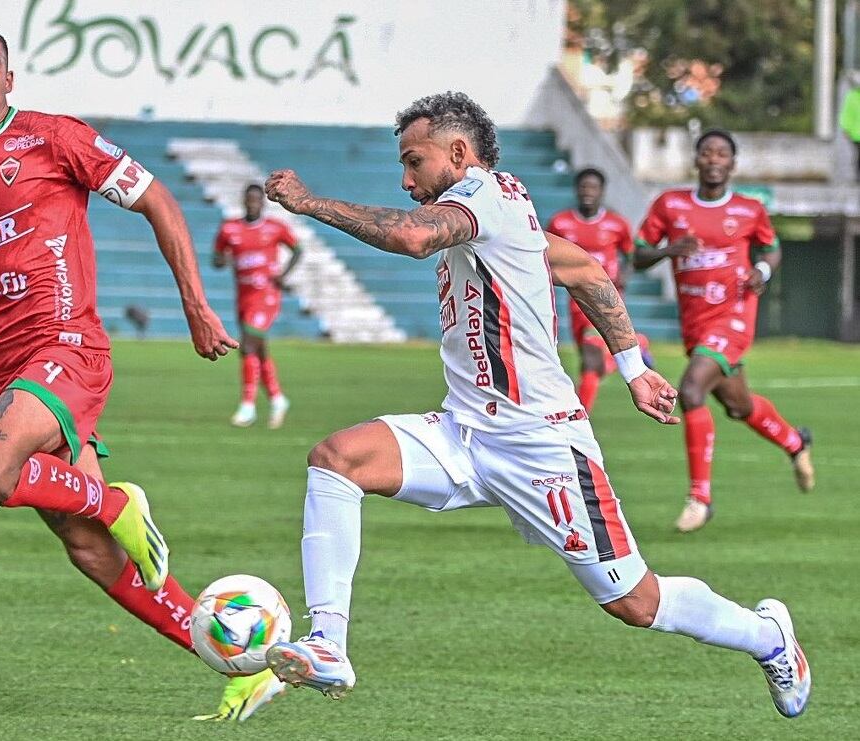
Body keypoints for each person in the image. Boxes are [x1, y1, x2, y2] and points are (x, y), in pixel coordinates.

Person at [261, 92, 810, 718]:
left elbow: (414, 238)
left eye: (415, 162)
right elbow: (582, 268)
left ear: (459, 154)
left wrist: (309, 203)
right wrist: (633, 368)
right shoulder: (507, 207)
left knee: (636, 602)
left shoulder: (480, 200)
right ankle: (328, 642)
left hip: (541, 445)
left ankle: (770, 638)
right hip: (464, 432)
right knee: (337, 458)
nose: (405, 179)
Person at [0, 20, 283, 722]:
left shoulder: (55, 138)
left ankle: (120, 503)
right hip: (5, 369)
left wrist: (197, 306)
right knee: (85, 546)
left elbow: (157, 200)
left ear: (9, 77)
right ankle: (239, 664)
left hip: (68, 346)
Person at [634, 129, 814, 533]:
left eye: (722, 154)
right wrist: (669, 250)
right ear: (696, 160)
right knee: (738, 406)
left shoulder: (750, 210)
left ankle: (700, 498)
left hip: (733, 317)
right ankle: (795, 443)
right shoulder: (670, 204)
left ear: (732, 164)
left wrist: (762, 271)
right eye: (707, 152)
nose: (714, 159)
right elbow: (639, 254)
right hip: (696, 324)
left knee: (692, 389)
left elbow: (771, 248)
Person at [546, 168, 653, 411]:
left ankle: (578, 419)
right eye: (584, 187)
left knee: (590, 363)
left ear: (602, 192)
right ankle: (639, 344)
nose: (588, 192)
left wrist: (623, 276)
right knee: (591, 360)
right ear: (576, 189)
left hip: (605, 297)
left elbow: (630, 257)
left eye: (593, 187)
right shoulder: (560, 222)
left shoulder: (617, 224)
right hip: (575, 299)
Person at [212, 183, 301, 428]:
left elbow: (297, 249)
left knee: (247, 345)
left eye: (256, 199)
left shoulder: (275, 228)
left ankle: (247, 406)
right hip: (244, 296)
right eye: (248, 199)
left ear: (262, 202)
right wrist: (221, 260)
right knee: (259, 350)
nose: (252, 203)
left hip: (267, 295)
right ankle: (277, 398)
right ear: (244, 201)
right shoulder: (230, 229)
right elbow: (217, 257)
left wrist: (284, 275)